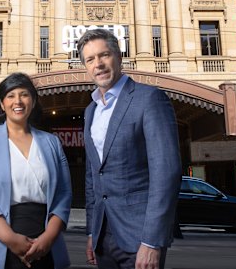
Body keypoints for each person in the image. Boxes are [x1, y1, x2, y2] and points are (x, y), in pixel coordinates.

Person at [77, 29, 182, 269]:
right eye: (90, 59)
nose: (99, 64)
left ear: (119, 56)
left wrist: (152, 241)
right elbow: (93, 176)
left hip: (139, 237)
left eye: (104, 55)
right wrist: (92, 233)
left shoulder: (149, 99)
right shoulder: (90, 111)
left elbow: (166, 173)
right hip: (104, 237)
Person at [0, 72, 72, 269]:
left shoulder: (51, 142)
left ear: (33, 101)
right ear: (2, 104)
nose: (18, 101)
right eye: (10, 95)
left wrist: (49, 238)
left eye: (24, 94)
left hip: (45, 243)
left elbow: (64, 192)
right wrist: (10, 239)